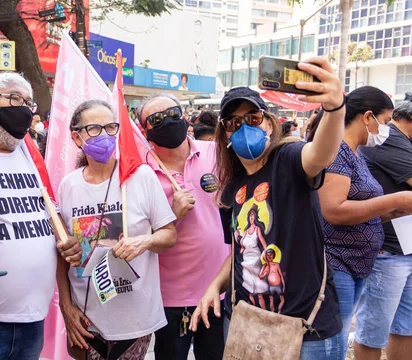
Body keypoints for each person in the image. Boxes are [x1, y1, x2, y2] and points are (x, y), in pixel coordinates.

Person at [190, 57, 346, 359]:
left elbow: (320, 154)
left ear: (269, 122)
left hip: (305, 332)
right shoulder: (233, 188)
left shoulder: (288, 160)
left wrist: (334, 108)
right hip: (246, 324)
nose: (243, 127)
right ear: (225, 137)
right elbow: (236, 250)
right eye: (233, 123)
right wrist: (214, 286)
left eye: (252, 117)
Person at [0, 72, 82, 360]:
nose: (22, 108)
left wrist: (64, 239)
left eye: (28, 102)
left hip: (32, 318)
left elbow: (47, 212)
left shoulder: (26, 152)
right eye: (13, 99)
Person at [58, 100, 177, 360]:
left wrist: (143, 242)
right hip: (87, 316)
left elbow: (169, 235)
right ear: (76, 137)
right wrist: (66, 307)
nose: (104, 135)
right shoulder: (68, 186)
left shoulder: (141, 177)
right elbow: (61, 254)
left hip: (135, 317)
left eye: (110, 127)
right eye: (94, 129)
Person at [316, 86, 412, 360]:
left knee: (339, 336)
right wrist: (395, 201)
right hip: (338, 261)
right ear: (367, 117)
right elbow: (333, 210)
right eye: (384, 122)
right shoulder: (337, 151)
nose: (386, 129)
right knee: (334, 340)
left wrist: (395, 211)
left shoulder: (354, 153)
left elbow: (363, 208)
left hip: (357, 261)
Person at [136, 94, 229, 360]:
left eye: (174, 113)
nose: (168, 120)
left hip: (217, 290)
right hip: (170, 298)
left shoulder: (215, 152)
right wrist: (173, 216)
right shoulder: (142, 172)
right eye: (157, 119)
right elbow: (138, 238)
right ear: (145, 130)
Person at [354, 100, 412, 360]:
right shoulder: (390, 139)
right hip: (388, 253)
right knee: (372, 332)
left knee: (406, 328)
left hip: (406, 247)